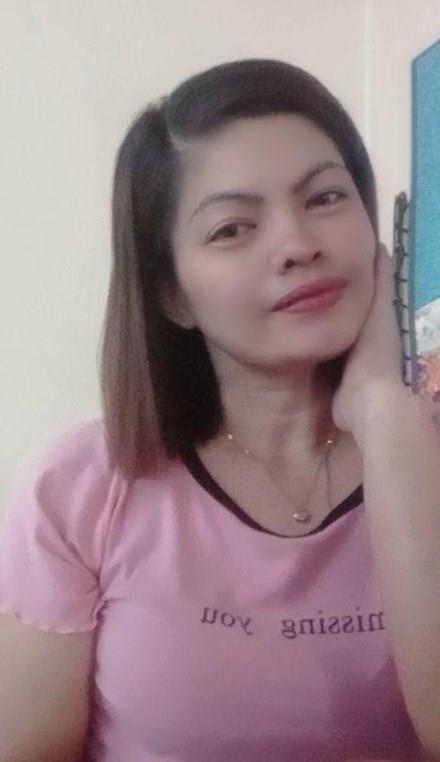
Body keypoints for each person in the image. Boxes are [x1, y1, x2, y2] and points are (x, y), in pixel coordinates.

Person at [0, 59, 435, 762]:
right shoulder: (80, 487)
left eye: (326, 197)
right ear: (172, 294)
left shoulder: (419, 454)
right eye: (233, 228)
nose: (299, 245)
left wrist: (385, 415)